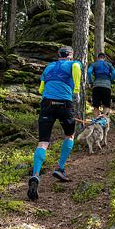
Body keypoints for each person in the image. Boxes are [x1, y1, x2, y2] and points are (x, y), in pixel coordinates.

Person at [27, 46, 81, 200]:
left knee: (43, 142)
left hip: (47, 103)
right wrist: (75, 90)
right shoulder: (73, 64)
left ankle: (36, 175)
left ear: (58, 56)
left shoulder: (49, 67)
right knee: (69, 135)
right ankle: (60, 168)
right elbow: (77, 67)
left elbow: (41, 89)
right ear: (70, 55)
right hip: (64, 103)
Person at [87, 52, 115, 117]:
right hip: (106, 86)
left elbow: (89, 72)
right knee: (106, 105)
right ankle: (105, 122)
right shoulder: (109, 64)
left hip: (96, 86)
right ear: (104, 58)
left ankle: (97, 122)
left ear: (98, 58)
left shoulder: (94, 64)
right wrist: (110, 80)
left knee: (96, 105)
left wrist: (91, 81)